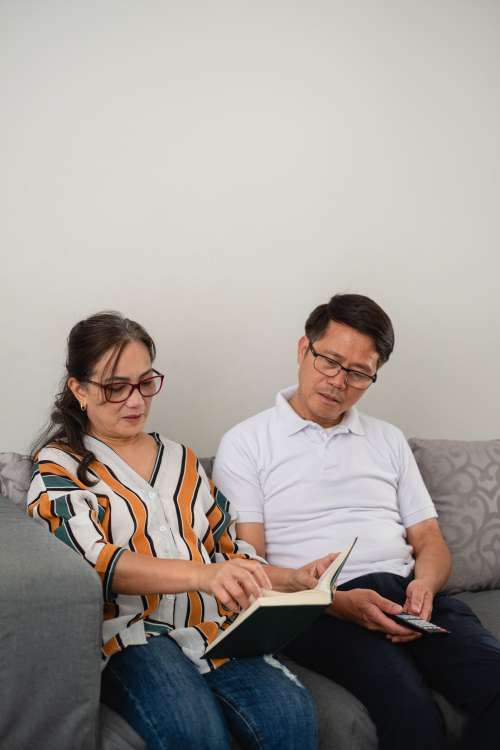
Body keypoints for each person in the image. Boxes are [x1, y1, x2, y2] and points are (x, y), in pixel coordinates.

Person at [27, 311, 334, 750]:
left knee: (292, 717)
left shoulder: (182, 460)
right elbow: (93, 562)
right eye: (116, 387)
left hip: (213, 627)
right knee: (196, 733)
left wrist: (294, 579)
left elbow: (229, 550)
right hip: (132, 635)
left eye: (145, 382)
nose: (135, 401)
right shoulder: (60, 466)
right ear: (79, 389)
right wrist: (202, 575)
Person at [213, 293, 500, 750]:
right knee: (409, 709)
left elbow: (429, 539)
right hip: (320, 610)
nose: (338, 382)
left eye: (359, 373)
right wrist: (336, 600)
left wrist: (424, 587)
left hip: (408, 596)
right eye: (329, 361)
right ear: (303, 349)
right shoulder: (247, 442)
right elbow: (251, 563)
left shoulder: (387, 439)